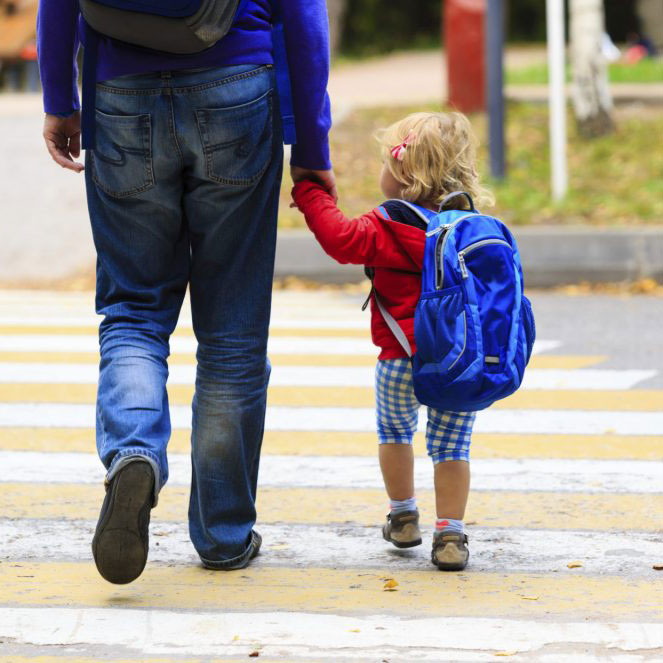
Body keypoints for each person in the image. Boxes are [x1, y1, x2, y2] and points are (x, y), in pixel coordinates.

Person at [37, 0, 335, 584]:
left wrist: (59, 99)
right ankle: (223, 535)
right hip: (236, 87)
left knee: (134, 309)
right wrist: (312, 145)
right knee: (233, 331)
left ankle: (134, 453)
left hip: (120, 89)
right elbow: (303, 15)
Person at [292, 111, 493, 571]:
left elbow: (340, 239)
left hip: (399, 360)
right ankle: (450, 534)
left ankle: (403, 515)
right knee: (452, 448)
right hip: (459, 363)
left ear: (402, 173)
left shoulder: (390, 224)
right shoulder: (470, 229)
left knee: (395, 434)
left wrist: (310, 193)